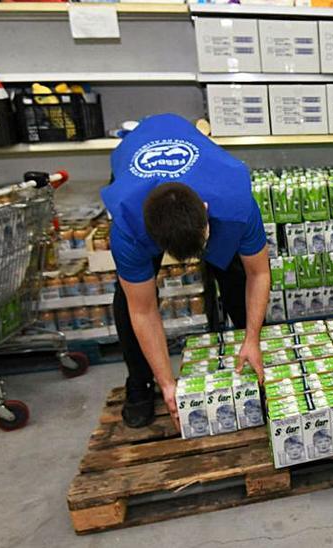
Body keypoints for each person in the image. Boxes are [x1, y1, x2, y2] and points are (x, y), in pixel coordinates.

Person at [102, 114, 272, 430]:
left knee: (233, 272)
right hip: (135, 166)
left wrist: (252, 336)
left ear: (207, 214)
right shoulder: (128, 226)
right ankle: (139, 381)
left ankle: (250, 353)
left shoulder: (235, 197)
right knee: (131, 296)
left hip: (204, 176)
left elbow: (258, 274)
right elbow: (143, 310)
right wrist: (168, 383)